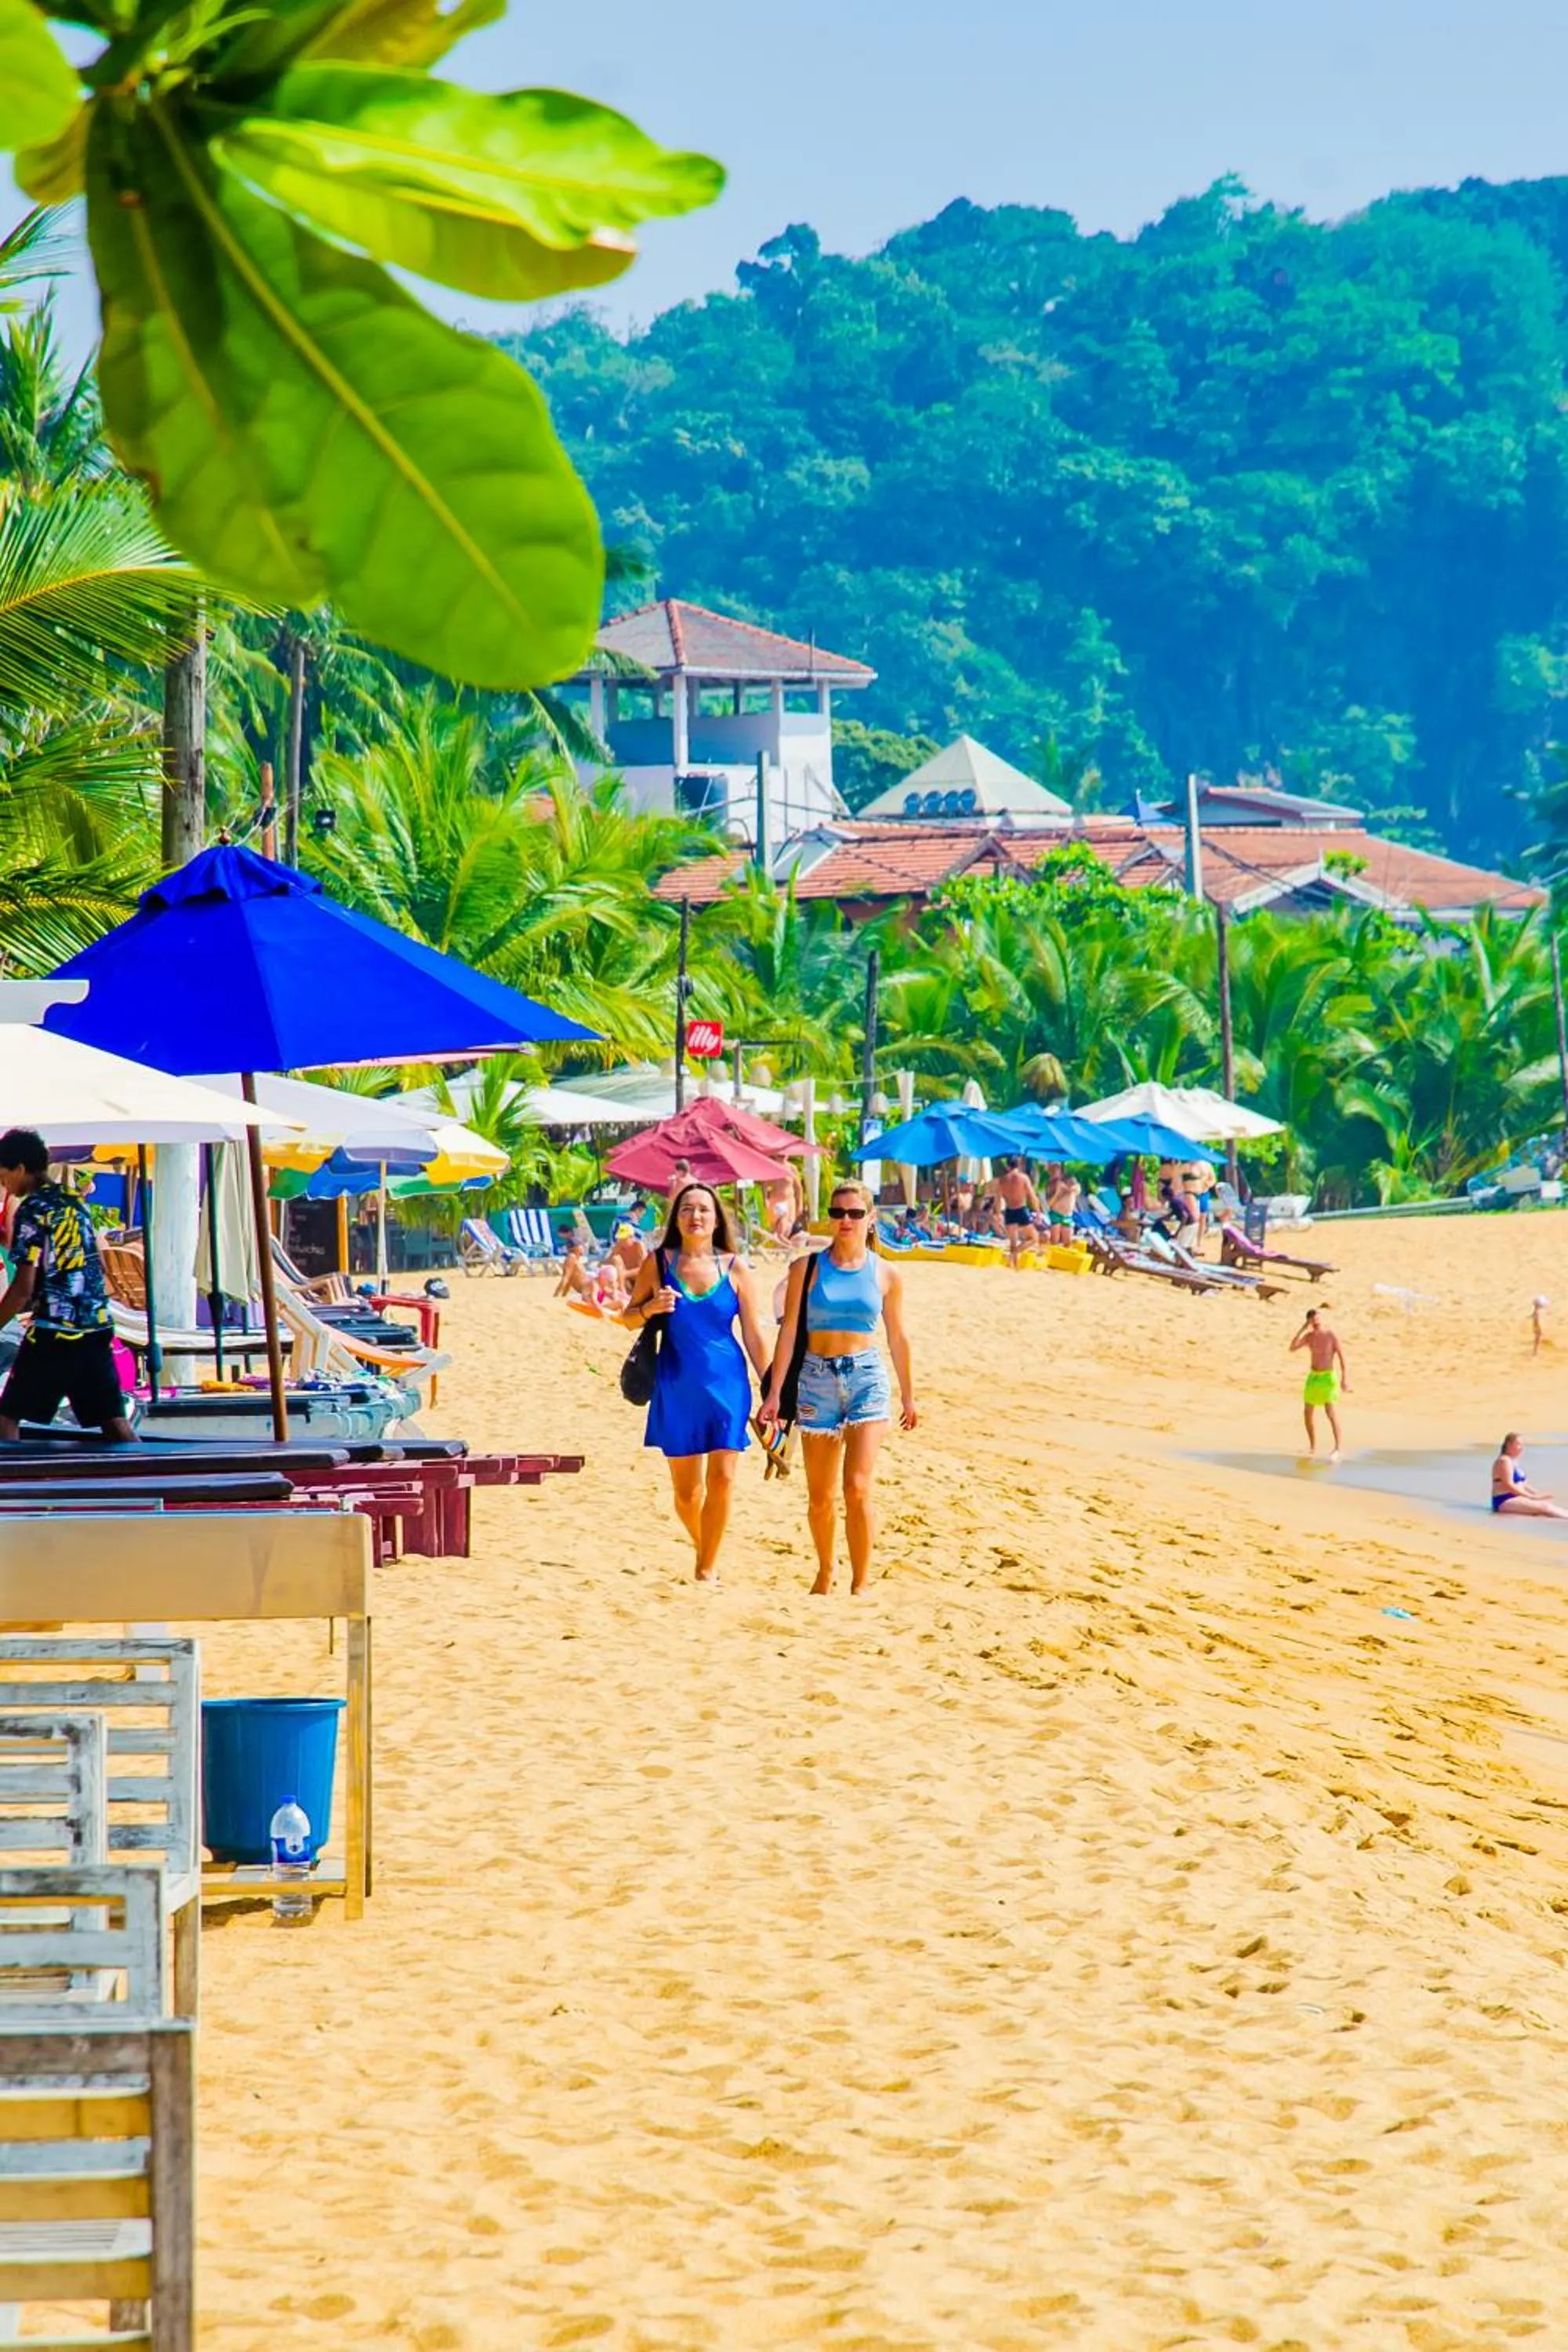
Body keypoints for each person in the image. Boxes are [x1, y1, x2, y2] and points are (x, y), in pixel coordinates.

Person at [760, 1178, 916, 1595]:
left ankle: (862, 1582)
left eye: (853, 1213)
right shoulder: (805, 1269)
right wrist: (775, 1394)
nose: (844, 1220)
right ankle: (825, 1569)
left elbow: (898, 1337)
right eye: (836, 1213)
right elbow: (789, 1332)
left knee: (858, 1486)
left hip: (866, 1377)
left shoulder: (886, 1273)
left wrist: (909, 1393)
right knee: (820, 1495)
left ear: (870, 1219)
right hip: (816, 1380)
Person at [620, 1183, 771, 1584]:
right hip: (676, 1385)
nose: (696, 1216)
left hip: (728, 1384)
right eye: (687, 1209)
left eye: (704, 1209)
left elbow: (754, 1334)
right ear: (677, 1218)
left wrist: (772, 1387)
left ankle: (706, 1567)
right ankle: (706, 1545)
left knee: (722, 1479)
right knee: (687, 1495)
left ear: (717, 1218)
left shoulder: (735, 1267)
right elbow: (628, 1317)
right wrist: (650, 1308)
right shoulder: (659, 1263)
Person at [0, 1130, 136, 1443]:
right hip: (96, 1326)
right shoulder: (75, 1203)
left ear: (20, 1168)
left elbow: (23, 1286)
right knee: (113, 1421)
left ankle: (11, 1489)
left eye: (4, 1177)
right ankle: (154, 1478)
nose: (5, 1186)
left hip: (56, 1331)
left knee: (7, 1417)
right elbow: (94, 1265)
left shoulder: (33, 1209)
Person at [1290, 1306, 1348, 1461]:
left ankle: (1338, 1448)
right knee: (1308, 1412)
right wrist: (1302, 1329)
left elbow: (1342, 1357)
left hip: (1328, 1377)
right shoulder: (1309, 1337)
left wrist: (1344, 1379)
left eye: (1317, 1318)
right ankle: (1312, 1446)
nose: (1315, 1321)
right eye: (1312, 1319)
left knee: (1330, 1411)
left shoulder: (1330, 1335)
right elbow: (1292, 1348)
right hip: (1314, 1377)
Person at [1490, 1434, 1568, 1519]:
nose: (1522, 1448)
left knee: (1547, 1507)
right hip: (1504, 1501)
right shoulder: (1504, 1461)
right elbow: (1508, 1485)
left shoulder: (1514, 1462)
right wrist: (1530, 1496)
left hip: (1516, 1498)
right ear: (1509, 1445)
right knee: (1545, 1507)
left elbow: (1524, 1484)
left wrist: (1538, 1494)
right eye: (1518, 1444)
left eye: (1522, 1445)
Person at [1045, 1163, 1080, 1246]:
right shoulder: (1051, 1185)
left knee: (1068, 1242)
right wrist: (1058, 1193)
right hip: (1056, 1214)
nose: (1053, 1173)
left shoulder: (1070, 1180)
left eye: (1055, 1170)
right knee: (1054, 1241)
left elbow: (1078, 1189)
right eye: (1052, 1171)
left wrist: (1068, 1189)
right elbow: (1049, 1204)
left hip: (1067, 1215)